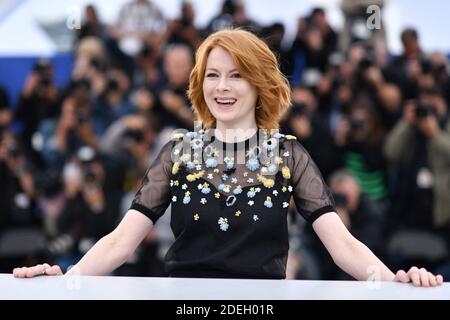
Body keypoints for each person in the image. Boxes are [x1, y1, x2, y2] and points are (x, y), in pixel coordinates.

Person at [13, 29, 443, 286]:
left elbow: (344, 248)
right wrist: (64, 282)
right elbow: (119, 243)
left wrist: (394, 280)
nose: (223, 87)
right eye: (213, 75)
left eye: (237, 76)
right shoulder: (177, 152)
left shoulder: (288, 154)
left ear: (260, 85)